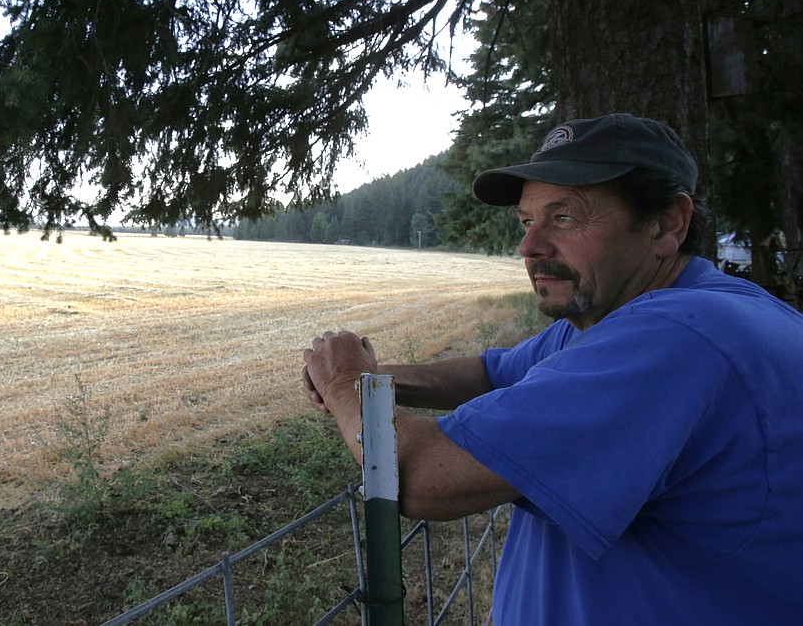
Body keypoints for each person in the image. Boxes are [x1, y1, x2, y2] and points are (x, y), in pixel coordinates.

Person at [301, 113, 803, 624]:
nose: (529, 246)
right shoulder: (632, 314)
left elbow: (419, 477)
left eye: (564, 218)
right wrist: (371, 376)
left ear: (667, 223)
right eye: (527, 221)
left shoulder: (677, 335)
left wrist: (344, 386)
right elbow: (493, 371)